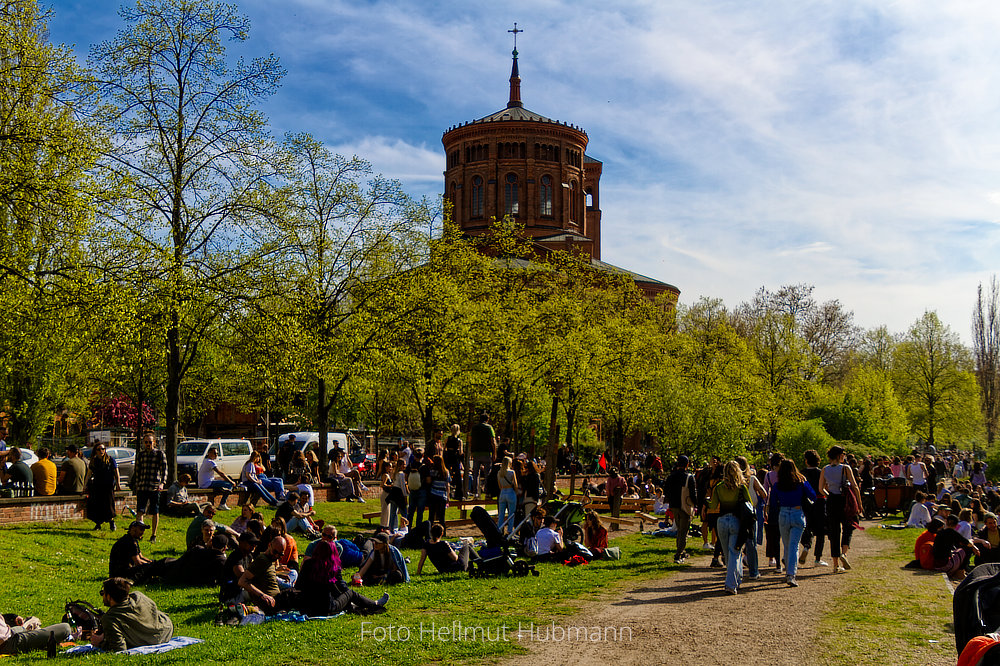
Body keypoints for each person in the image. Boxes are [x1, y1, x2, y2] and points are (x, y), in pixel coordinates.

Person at [294, 540, 388, 616]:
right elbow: (342, 587)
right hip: (327, 607)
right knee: (350, 593)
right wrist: (347, 598)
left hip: (306, 605)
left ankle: (356, 603)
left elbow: (298, 585)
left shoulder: (307, 564)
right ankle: (375, 603)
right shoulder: (332, 567)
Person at [91, 577, 173, 652]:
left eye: (103, 593)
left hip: (151, 641)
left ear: (109, 596)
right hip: (166, 631)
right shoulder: (139, 596)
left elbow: (119, 649)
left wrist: (100, 643)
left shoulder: (110, 618)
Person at [769, 459, 816, 587]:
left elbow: (773, 503)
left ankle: (788, 570)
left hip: (783, 513)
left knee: (787, 544)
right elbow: (813, 496)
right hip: (797, 513)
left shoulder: (778, 485)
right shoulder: (801, 482)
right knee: (794, 545)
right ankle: (791, 574)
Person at [707, 460, 751, 595]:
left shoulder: (719, 487)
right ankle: (732, 583)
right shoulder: (741, 488)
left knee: (727, 554)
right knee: (734, 553)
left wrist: (705, 502)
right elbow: (749, 504)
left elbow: (713, 506)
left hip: (721, 521)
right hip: (736, 521)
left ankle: (736, 578)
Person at [818, 445, 863, 573]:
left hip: (832, 501)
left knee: (834, 531)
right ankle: (844, 553)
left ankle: (836, 564)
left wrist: (829, 495)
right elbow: (854, 486)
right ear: (839, 455)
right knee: (849, 526)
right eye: (843, 454)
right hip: (845, 500)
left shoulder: (825, 469)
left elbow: (821, 488)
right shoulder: (845, 468)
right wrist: (859, 503)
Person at [132, 432, 168, 543]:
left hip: (155, 487)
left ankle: (153, 535)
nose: (148, 444)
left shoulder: (159, 454)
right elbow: (137, 471)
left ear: (154, 442)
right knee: (140, 511)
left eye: (150, 442)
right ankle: (138, 534)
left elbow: (164, 470)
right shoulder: (141, 455)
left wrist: (162, 483)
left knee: (155, 511)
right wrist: (137, 484)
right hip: (143, 486)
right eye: (146, 442)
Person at [663, 455, 697, 563]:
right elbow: (693, 494)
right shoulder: (689, 477)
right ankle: (679, 553)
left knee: (679, 529)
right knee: (684, 530)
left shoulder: (671, 476)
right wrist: (696, 505)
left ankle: (681, 550)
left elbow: (666, 491)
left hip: (674, 506)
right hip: (684, 505)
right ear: (687, 465)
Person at [239, 536, 286, 611]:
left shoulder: (270, 559)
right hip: (268, 603)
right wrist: (263, 595)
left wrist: (279, 575)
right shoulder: (262, 560)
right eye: (275, 552)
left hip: (277, 599)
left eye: (280, 554)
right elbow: (242, 581)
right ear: (269, 545)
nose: (277, 556)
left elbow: (264, 575)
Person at [0, 611, 71, 656]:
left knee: (26, 624)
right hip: (9, 642)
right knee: (65, 628)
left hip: (9, 632)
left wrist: (12, 617)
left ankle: (28, 628)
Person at [85, 444, 120, 531]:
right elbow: (89, 474)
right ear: (95, 451)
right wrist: (85, 485)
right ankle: (98, 524)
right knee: (97, 505)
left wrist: (118, 484)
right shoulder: (94, 461)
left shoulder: (110, 460)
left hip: (108, 486)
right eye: (99, 449)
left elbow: (116, 472)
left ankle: (112, 522)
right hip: (97, 485)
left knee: (108, 505)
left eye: (103, 449)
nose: (101, 451)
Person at [426, 455, 450, 531]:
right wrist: (448, 496)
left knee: (431, 515)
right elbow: (447, 485)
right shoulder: (446, 472)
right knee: (441, 516)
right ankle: (443, 531)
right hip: (442, 495)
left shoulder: (432, 471)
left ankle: (429, 531)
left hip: (433, 494)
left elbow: (429, 481)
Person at [469, 413, 497, 478]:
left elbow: (470, 440)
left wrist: (471, 452)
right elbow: (493, 442)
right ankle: (486, 487)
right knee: (487, 474)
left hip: (476, 453)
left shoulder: (474, 428)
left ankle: (475, 488)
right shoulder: (489, 428)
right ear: (487, 420)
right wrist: (494, 453)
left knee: (475, 474)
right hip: (487, 453)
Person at [496, 456, 518, 535]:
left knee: (501, 513)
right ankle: (509, 530)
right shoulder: (512, 472)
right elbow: (515, 485)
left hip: (502, 492)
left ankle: (499, 529)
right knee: (511, 513)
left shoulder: (499, 472)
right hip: (510, 492)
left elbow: (499, 485)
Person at [605, 467, 627, 531]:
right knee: (615, 511)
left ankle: (614, 524)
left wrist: (609, 495)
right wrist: (621, 493)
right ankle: (614, 524)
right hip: (617, 497)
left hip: (613, 497)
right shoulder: (621, 479)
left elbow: (608, 488)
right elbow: (625, 488)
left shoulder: (611, 479)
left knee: (614, 511)